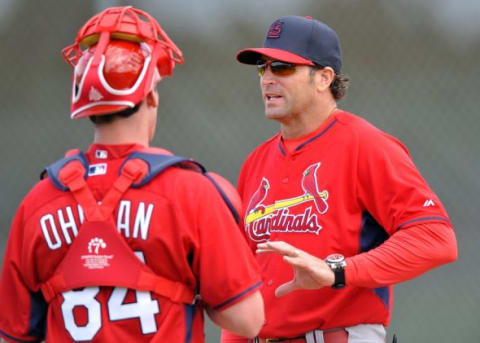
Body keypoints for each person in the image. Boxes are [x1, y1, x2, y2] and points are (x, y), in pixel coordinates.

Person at [0, 6, 264, 343]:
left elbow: (14, 334)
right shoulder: (191, 192)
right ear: (150, 95)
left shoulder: (38, 202)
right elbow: (248, 319)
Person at [221, 15, 458, 343]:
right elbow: (243, 280)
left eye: (283, 67)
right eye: (264, 67)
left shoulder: (366, 145)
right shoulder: (256, 162)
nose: (267, 79)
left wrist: (338, 271)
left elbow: (435, 238)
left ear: (324, 78)